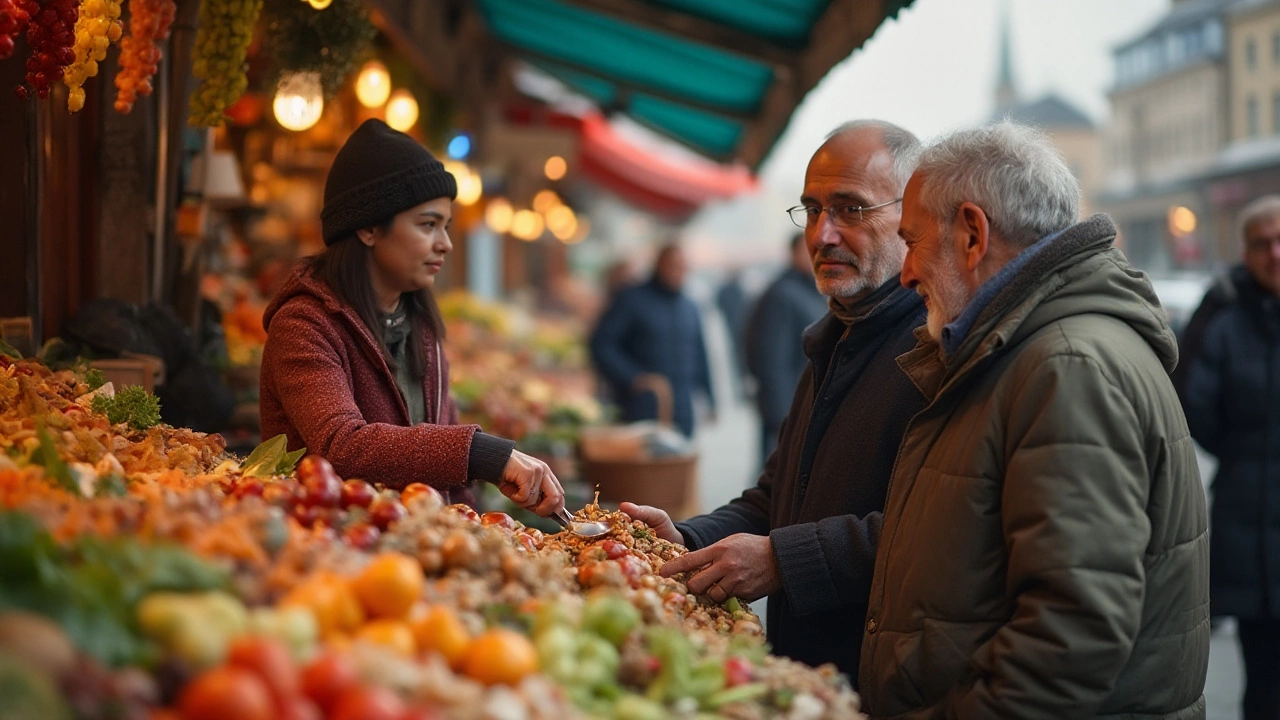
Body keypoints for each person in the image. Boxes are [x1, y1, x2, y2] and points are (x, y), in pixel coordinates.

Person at [859, 121, 1209, 718]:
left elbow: (1070, 634)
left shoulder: (1067, 367)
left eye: (913, 242)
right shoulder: (1025, 352)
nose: (907, 272)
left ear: (972, 233)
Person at [624, 120, 927, 680]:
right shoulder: (835, 338)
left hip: (883, 681)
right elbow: (776, 497)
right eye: (812, 210)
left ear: (913, 217)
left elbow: (939, 534)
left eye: (850, 209)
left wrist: (782, 561)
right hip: (810, 675)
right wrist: (688, 539)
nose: (823, 234)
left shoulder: (934, 352)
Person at [259, 118, 564, 516]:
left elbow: (448, 466)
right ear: (368, 228)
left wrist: (476, 524)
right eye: (428, 225)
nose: (446, 244)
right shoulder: (304, 325)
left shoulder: (419, 324)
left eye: (446, 226)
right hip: (328, 548)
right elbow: (340, 445)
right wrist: (482, 454)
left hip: (416, 547)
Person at [1179, 195, 1280, 720]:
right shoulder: (1223, 317)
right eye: (1262, 243)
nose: (1275, 253)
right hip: (1247, 521)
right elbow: (1194, 402)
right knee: (1264, 681)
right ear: (1245, 251)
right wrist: (1248, 455)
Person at [590, 245, 714, 437]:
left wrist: (710, 398)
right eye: (673, 265)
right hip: (639, 406)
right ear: (659, 265)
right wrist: (632, 377)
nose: (678, 272)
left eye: (683, 267)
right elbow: (602, 344)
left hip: (682, 407)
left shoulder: (690, 307)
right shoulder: (632, 299)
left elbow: (700, 354)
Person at [744, 232, 828, 467]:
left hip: (806, 408)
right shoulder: (781, 294)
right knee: (776, 482)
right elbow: (770, 361)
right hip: (789, 410)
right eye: (808, 249)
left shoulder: (813, 291)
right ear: (793, 253)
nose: (816, 255)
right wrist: (782, 419)